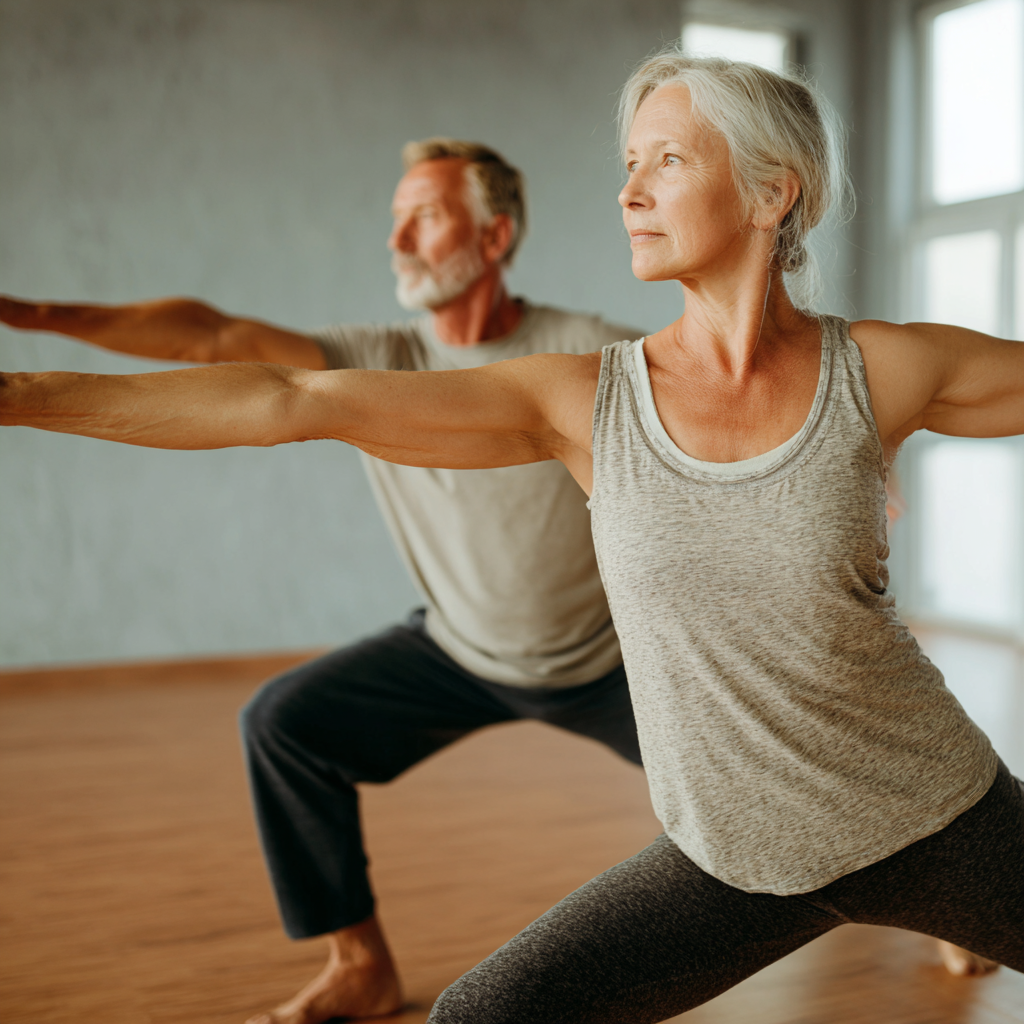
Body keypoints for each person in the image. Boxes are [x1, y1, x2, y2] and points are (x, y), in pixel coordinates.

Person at [4, 50, 1022, 1021]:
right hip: (734, 859)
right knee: (486, 1014)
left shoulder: (882, 369)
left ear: (770, 192)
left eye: (666, 159)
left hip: (936, 817)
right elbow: (284, 396)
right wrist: (18, 393)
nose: (628, 191)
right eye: (627, 163)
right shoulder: (584, 399)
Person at [0, 139, 646, 1024]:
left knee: (754, 778)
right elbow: (212, 337)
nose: (398, 240)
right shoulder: (374, 358)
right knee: (286, 723)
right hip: (458, 648)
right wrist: (28, 311)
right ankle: (359, 965)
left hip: (613, 663)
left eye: (423, 216)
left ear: (495, 237)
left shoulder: (596, 352)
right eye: (394, 219)